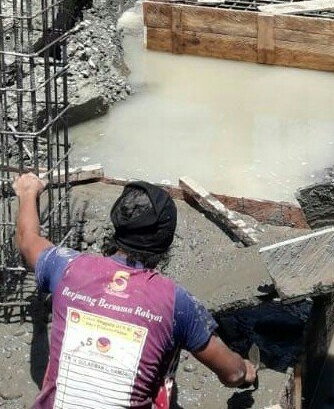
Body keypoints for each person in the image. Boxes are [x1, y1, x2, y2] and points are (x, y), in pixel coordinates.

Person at [13, 173, 257, 408]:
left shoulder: (68, 268)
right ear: (166, 241)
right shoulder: (176, 302)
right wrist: (246, 369)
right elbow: (232, 373)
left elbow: (27, 238)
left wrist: (27, 190)